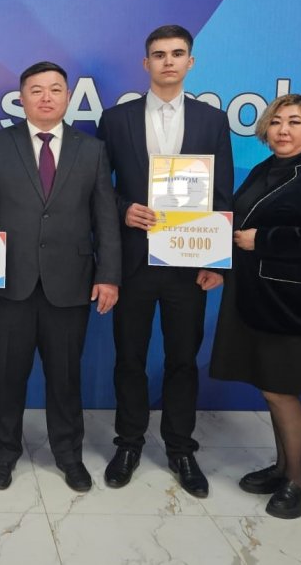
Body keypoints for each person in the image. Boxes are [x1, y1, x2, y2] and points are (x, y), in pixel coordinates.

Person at [0, 61, 121, 493]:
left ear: (68, 97)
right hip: (9, 282)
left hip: (71, 282)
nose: (46, 97)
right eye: (36, 90)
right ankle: (4, 454)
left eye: (55, 89)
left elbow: (105, 217)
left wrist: (109, 275)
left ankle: (69, 455)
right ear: (22, 99)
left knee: (65, 377)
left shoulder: (91, 150)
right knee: (7, 376)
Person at [96, 25, 233, 498]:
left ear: (190, 62)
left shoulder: (213, 120)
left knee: (182, 361)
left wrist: (218, 260)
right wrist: (123, 209)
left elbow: (222, 193)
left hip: (189, 262)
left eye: (177, 54)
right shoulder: (116, 119)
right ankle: (129, 444)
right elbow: (100, 188)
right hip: (134, 261)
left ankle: (180, 449)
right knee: (129, 359)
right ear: (146, 63)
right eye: (159, 54)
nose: (168, 61)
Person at [210, 94, 301, 519]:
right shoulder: (264, 168)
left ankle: (298, 480)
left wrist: (263, 240)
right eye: (276, 122)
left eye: (294, 122)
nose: (283, 130)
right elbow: (236, 222)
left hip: (296, 304)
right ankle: (282, 467)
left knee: (279, 390)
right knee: (270, 387)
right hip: (256, 297)